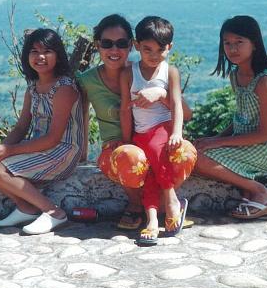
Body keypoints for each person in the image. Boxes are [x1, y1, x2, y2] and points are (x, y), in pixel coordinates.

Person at [77, 14, 192, 231]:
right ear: (97, 45)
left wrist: (160, 94)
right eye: (106, 44)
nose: (114, 50)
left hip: (157, 134)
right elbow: (81, 118)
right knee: (132, 156)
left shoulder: (157, 71)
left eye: (121, 43)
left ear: (131, 45)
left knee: (183, 151)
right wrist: (83, 153)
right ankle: (141, 204)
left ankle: (158, 206)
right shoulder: (88, 81)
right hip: (119, 148)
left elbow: (186, 113)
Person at [0, 28, 84, 234]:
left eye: (47, 51)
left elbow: (53, 138)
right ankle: (26, 208)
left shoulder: (64, 89)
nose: (40, 57)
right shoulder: (32, 88)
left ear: (57, 55)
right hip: (38, 148)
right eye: (34, 51)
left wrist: (11, 152)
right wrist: (2, 149)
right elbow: (22, 126)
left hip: (62, 151)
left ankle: (54, 213)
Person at [193, 15, 267, 219]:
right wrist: (213, 139)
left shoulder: (265, 81)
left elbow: (265, 134)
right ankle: (247, 189)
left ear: (255, 44)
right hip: (242, 143)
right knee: (190, 154)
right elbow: (240, 120)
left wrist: (218, 144)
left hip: (262, 149)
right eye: (228, 43)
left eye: (239, 42)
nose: (232, 49)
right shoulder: (236, 75)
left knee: (197, 159)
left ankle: (261, 192)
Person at [120, 15, 190, 245]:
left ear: (169, 47)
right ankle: (161, 212)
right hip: (141, 132)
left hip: (163, 128)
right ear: (137, 45)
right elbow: (125, 109)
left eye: (160, 50)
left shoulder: (170, 72)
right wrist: (126, 139)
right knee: (150, 172)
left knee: (155, 148)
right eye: (147, 49)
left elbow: (177, 105)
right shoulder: (129, 73)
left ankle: (161, 210)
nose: (154, 55)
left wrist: (177, 133)